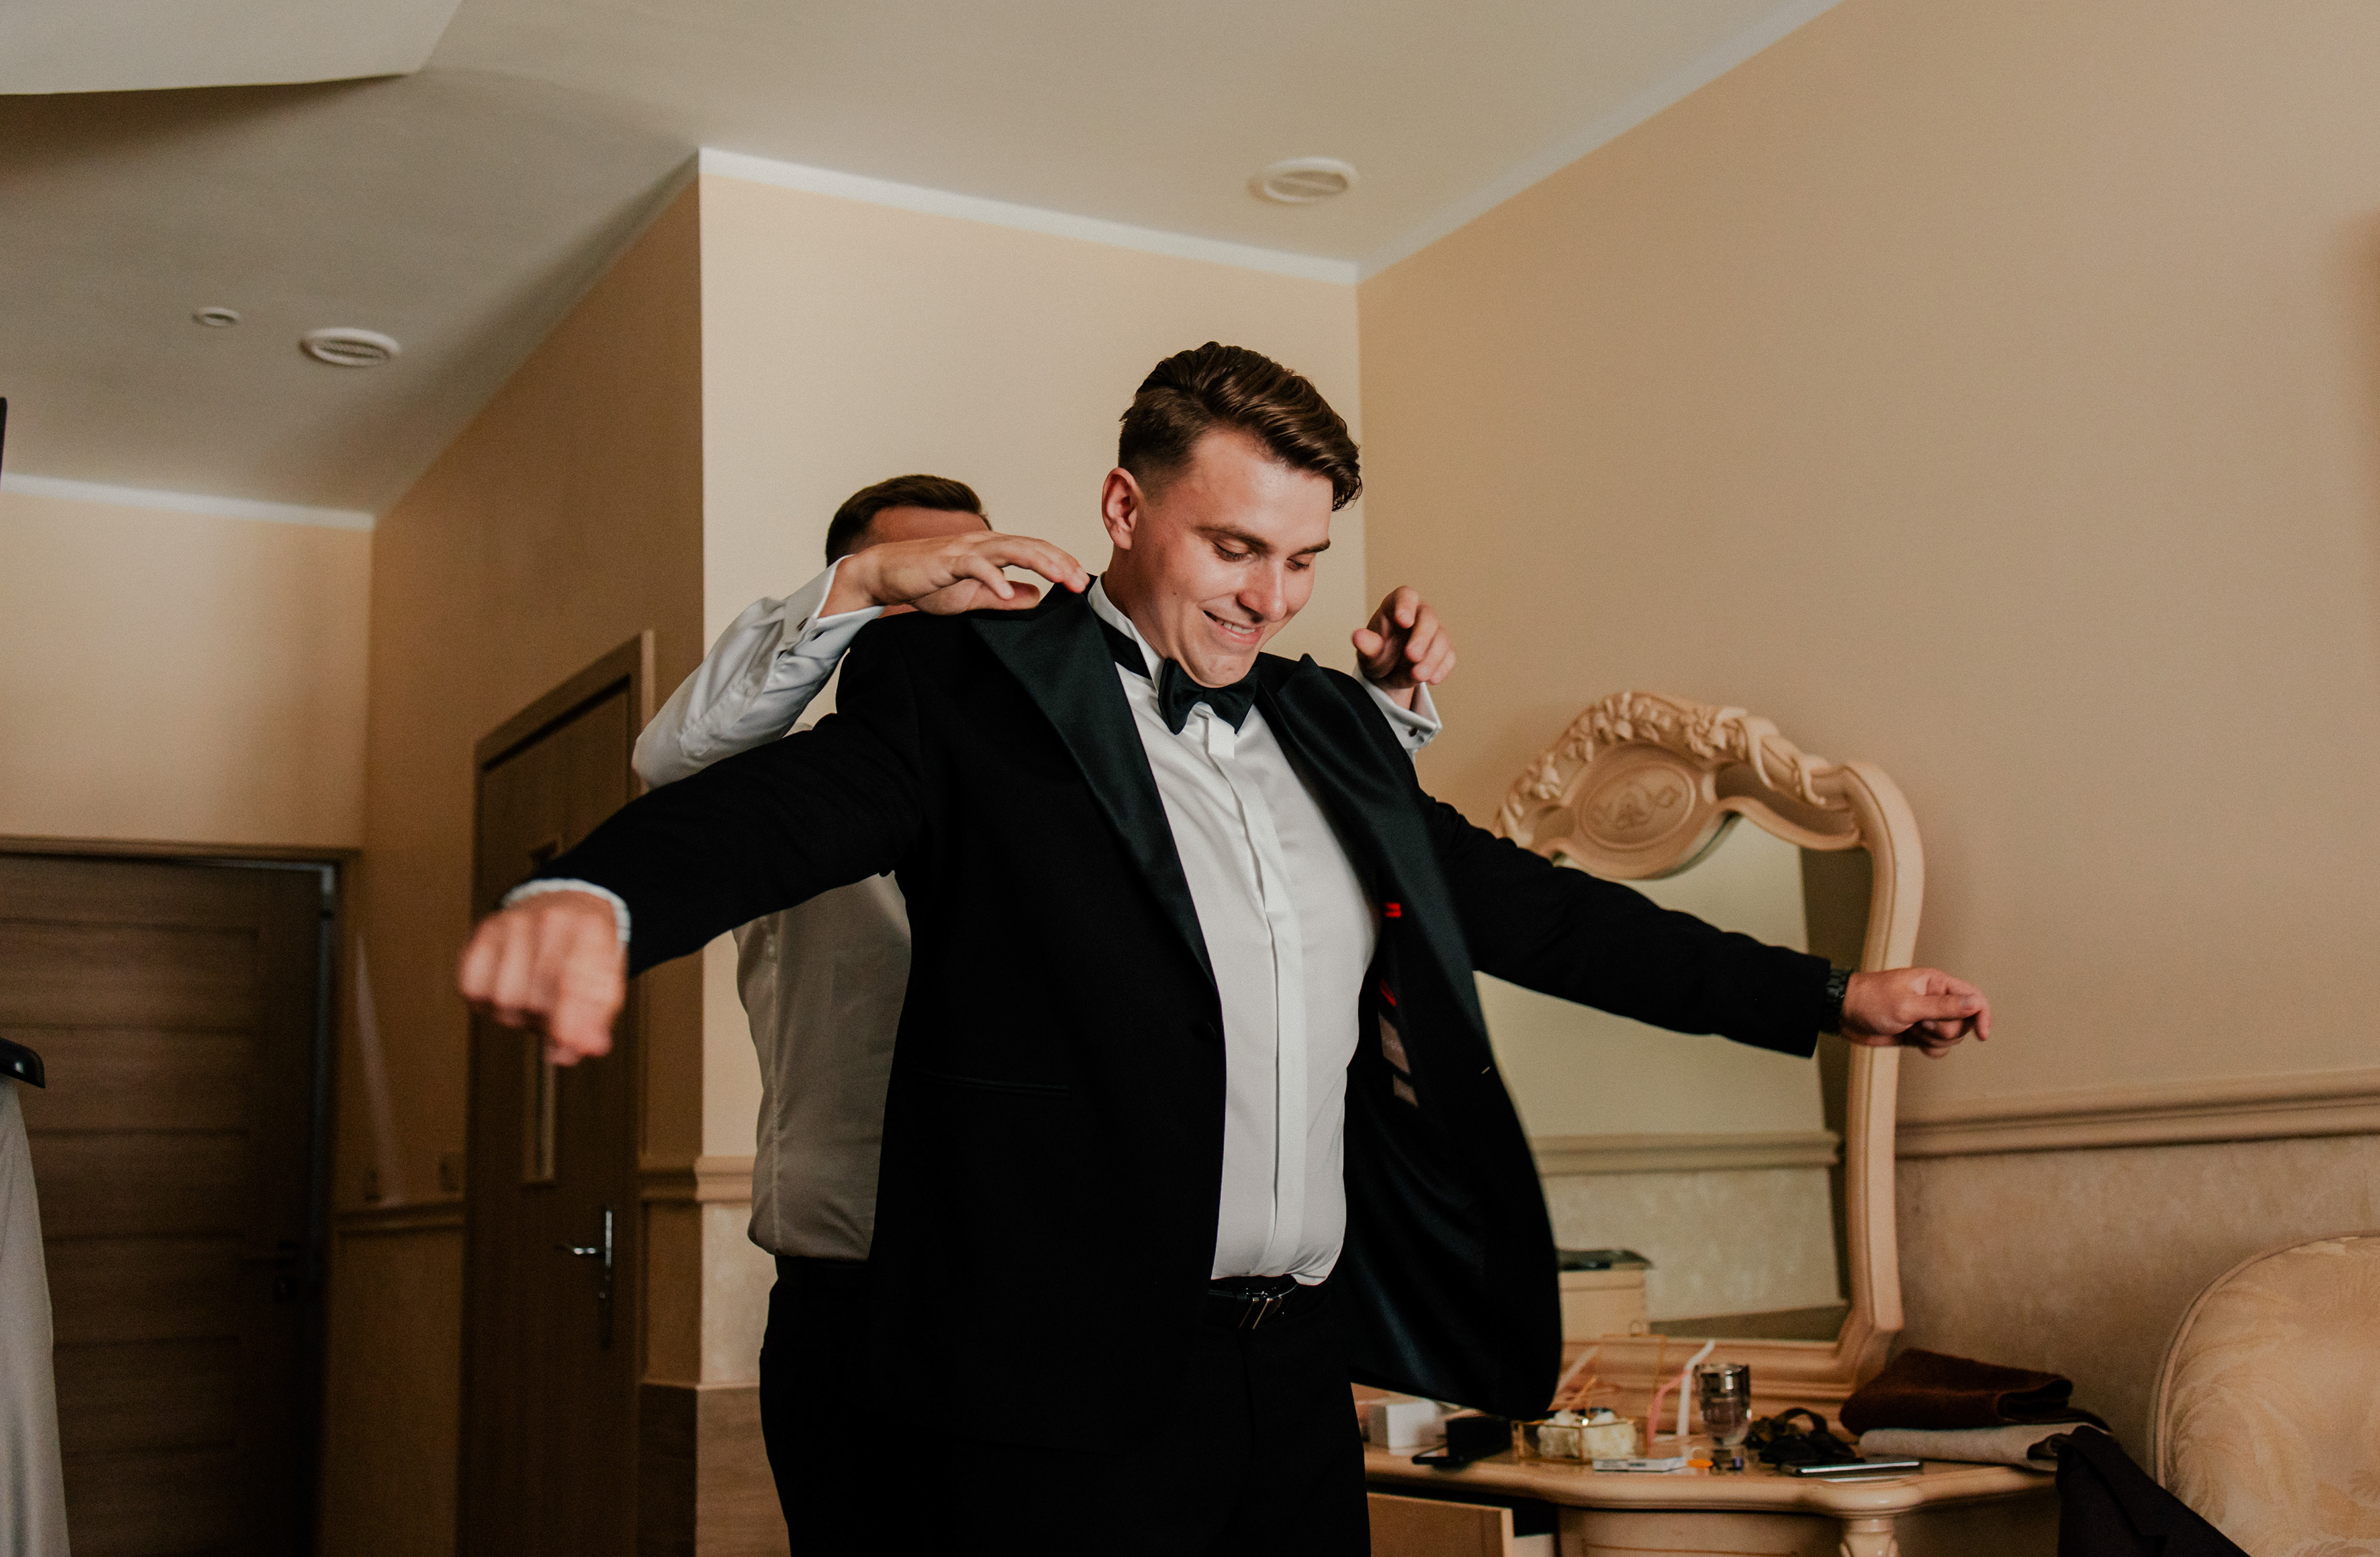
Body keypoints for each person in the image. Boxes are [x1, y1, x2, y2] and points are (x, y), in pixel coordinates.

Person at [460, 342, 1991, 1554]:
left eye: (1305, 557)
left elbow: (1535, 910)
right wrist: (601, 898)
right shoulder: (974, 697)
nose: (1270, 595)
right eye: (1236, 546)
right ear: (1125, 510)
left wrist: (1830, 992)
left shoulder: (1334, 725)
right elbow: (778, 811)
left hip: (1295, 1372)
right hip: (1057, 1387)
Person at [627, 470, 1456, 1553]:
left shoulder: (1066, 792)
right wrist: (866, 584)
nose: (963, 601)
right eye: (927, 580)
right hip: (859, 1303)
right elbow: (674, 760)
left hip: (1055, 1313)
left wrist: (1376, 719)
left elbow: (1257, 861)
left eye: (985, 574)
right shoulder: (790, 792)